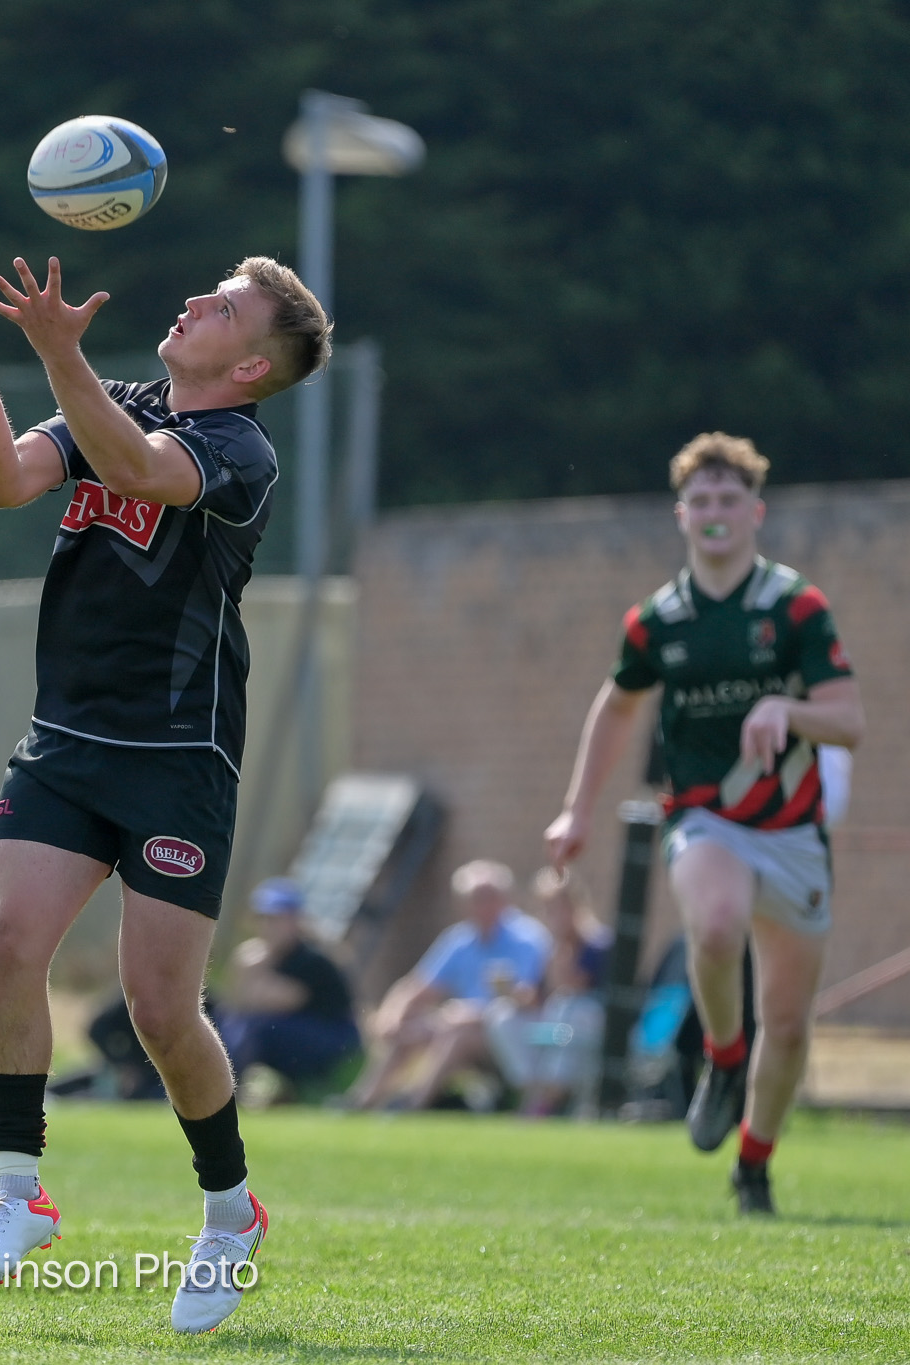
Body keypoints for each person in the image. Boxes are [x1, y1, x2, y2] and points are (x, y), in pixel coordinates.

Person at [0, 252, 332, 1332]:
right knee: (9, 948)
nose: (190, 301)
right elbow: (6, 479)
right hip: (65, 741)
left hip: (176, 758)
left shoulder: (237, 449)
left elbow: (142, 472)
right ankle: (19, 1192)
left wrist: (59, 355)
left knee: (158, 1009)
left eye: (222, 307)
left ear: (247, 362)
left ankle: (229, 1211)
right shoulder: (126, 402)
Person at [545, 432, 863, 1215]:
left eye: (730, 500)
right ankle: (723, 1058)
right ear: (681, 515)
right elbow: (617, 705)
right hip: (702, 816)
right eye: (702, 501)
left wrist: (787, 707)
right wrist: (576, 808)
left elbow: (850, 721)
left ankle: (753, 1163)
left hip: (794, 831)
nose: (715, 513)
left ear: (755, 512)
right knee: (715, 927)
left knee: (787, 1027)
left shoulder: (796, 606)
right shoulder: (660, 618)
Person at [344, 860, 551, 1112]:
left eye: (487, 896)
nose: (481, 905)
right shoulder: (460, 940)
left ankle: (413, 1102)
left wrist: (470, 1015)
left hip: (518, 1033)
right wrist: (393, 1016)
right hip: (457, 1024)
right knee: (411, 1030)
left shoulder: (528, 938)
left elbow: (526, 1000)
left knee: (458, 1035)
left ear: (504, 899)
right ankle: (362, 1101)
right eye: (474, 898)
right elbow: (417, 987)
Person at [215, 878, 360, 1099]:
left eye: (275, 919)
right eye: (263, 919)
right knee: (225, 1020)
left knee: (255, 1027)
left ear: (294, 920)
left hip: (334, 1040)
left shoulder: (309, 958)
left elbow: (273, 1001)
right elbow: (235, 1002)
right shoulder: (269, 955)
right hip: (295, 1031)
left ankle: (223, 1093)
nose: (267, 926)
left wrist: (252, 968)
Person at [482, 867, 610, 1117]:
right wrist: (511, 992)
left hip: (590, 1028)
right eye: (548, 909)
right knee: (502, 1016)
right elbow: (538, 999)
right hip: (556, 1031)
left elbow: (574, 987)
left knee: (567, 1006)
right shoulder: (550, 949)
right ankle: (536, 1092)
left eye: (558, 908)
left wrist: (563, 955)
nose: (553, 916)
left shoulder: (598, 945)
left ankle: (546, 1101)